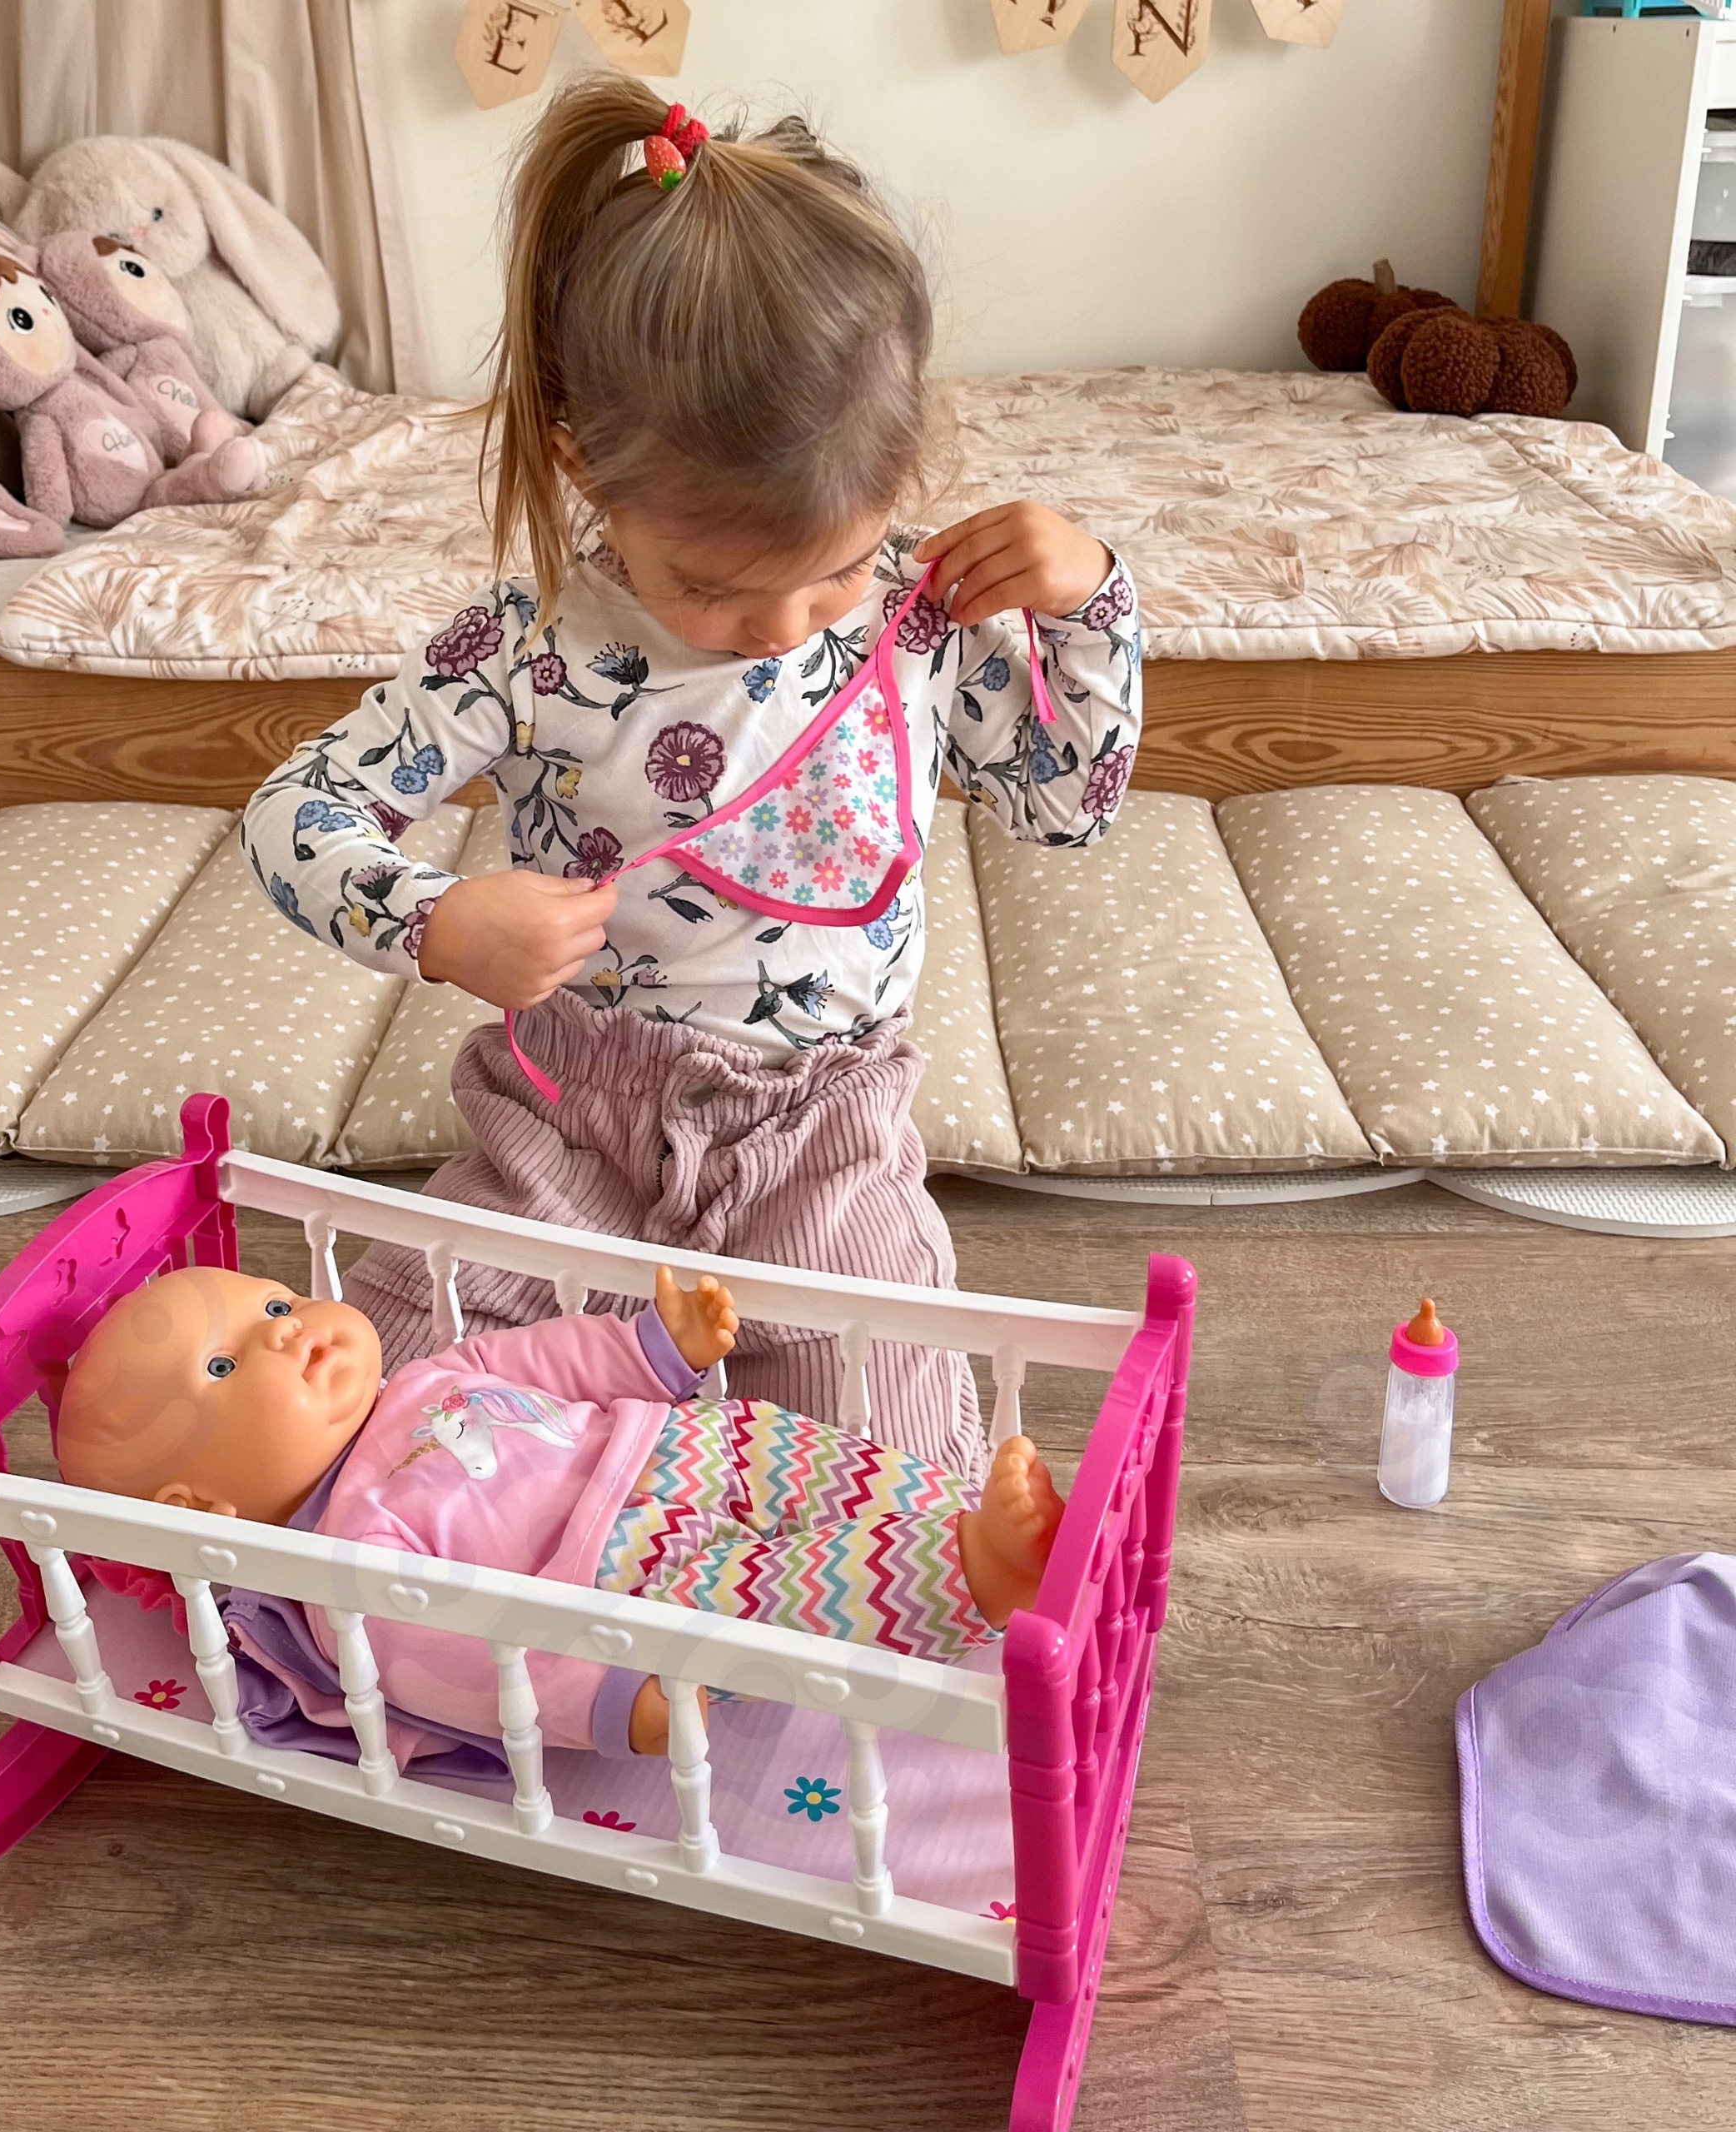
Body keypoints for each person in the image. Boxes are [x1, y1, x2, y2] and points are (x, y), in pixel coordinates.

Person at [241, 77, 1140, 1482]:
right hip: (567, 1134)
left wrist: (1089, 608)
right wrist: (436, 919)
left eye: (832, 571)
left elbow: (1063, 806)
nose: (781, 626)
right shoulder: (528, 646)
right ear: (583, 471)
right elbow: (292, 814)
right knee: (378, 1431)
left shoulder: (920, 621)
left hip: (827, 1148)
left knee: (907, 1482)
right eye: (713, 588)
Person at [56, 1266, 1067, 1756]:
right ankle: (970, 1571)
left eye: (275, 1304)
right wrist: (605, 1699)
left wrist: (655, 1350)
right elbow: (464, 1661)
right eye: (225, 1366)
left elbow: (541, 1359)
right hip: (627, 1580)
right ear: (205, 1508)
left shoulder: (423, 1378)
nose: (286, 1334)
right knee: (759, 1602)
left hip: (674, 1443)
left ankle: (956, 1513)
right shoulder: (347, 1561)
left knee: (794, 1450)